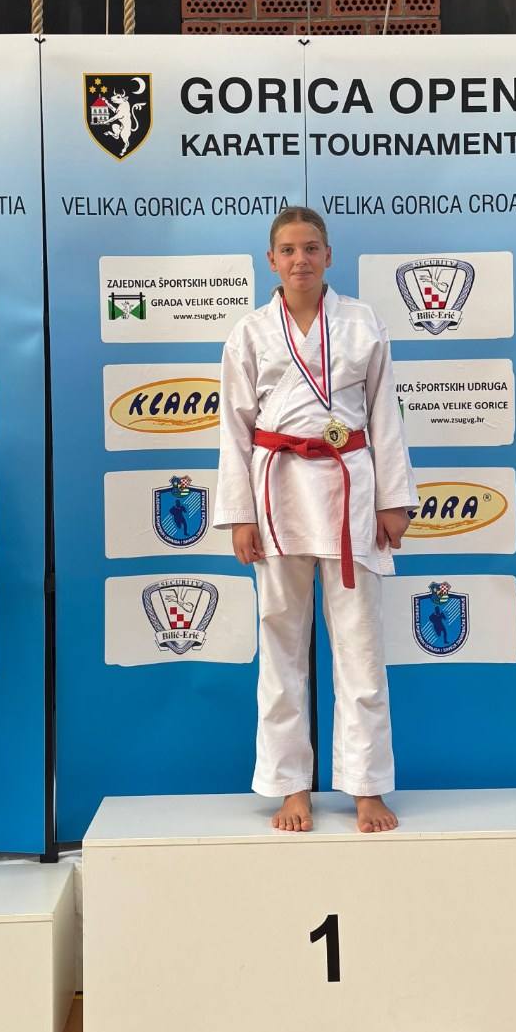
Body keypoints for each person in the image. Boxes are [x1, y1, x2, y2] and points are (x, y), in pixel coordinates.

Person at [215, 207, 416, 834]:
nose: (299, 259)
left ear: (329, 255)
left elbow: (384, 414)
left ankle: (366, 786)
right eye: (288, 250)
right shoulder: (250, 332)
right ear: (270, 261)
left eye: (310, 248)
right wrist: (239, 515)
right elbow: (234, 428)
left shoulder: (361, 322)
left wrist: (393, 499)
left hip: (349, 488)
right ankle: (290, 785)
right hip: (276, 492)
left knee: (360, 646)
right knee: (280, 644)